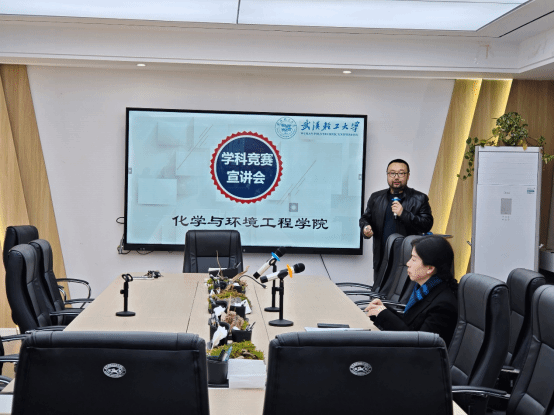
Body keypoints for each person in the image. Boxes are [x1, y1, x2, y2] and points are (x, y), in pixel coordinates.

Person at [365, 236, 458, 346]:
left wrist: (383, 314)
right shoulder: (423, 290)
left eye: (414, 259)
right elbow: (411, 323)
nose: (408, 263)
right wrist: (383, 310)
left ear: (430, 268)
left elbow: (420, 345)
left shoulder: (443, 304)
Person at [359, 159, 433, 271]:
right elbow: (365, 218)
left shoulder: (419, 198)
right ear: (387, 175)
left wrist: (403, 214)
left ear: (408, 176)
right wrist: (366, 228)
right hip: (382, 259)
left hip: (409, 260)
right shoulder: (376, 198)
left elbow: (427, 224)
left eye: (401, 173)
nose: (396, 177)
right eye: (392, 173)